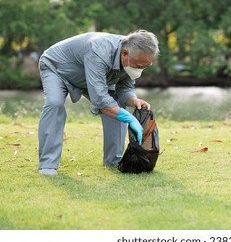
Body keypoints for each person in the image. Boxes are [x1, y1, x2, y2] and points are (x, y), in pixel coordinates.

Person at [38, 30, 159, 175]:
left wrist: (133, 100)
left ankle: (114, 161)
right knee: (55, 103)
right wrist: (130, 118)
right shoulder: (98, 50)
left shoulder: (130, 56)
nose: (141, 69)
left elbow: (125, 87)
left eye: (145, 66)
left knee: (118, 108)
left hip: (92, 78)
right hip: (57, 68)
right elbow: (100, 99)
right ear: (125, 53)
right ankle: (47, 165)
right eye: (139, 64)